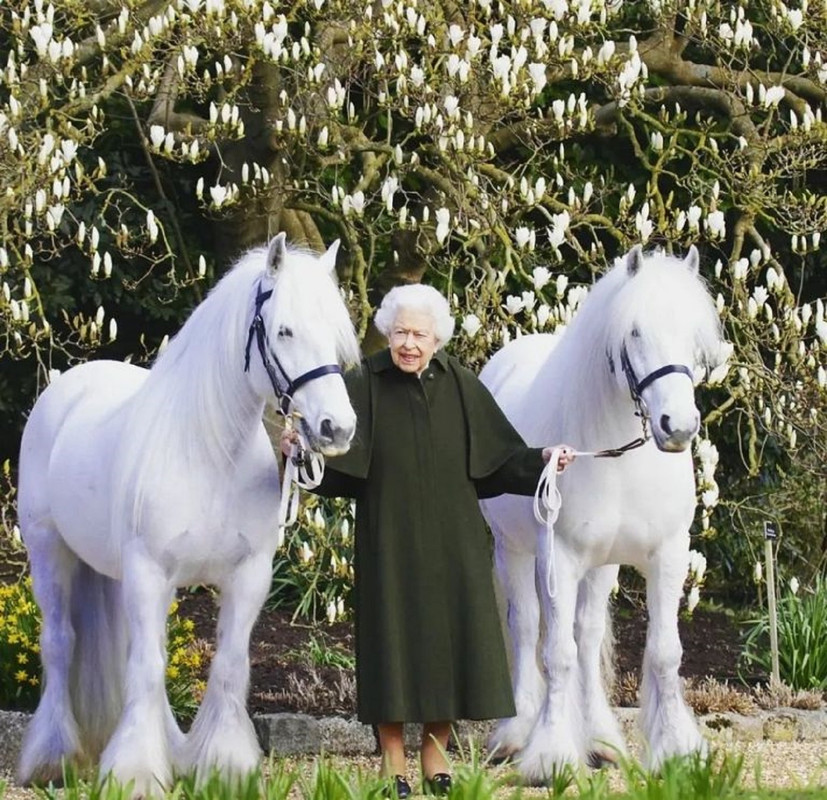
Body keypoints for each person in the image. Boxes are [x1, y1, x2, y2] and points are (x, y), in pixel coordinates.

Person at [280, 284, 574, 797]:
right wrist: (297, 455)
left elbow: (500, 461)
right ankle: (392, 758)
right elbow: (336, 469)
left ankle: (434, 753)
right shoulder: (364, 383)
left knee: (450, 647)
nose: (408, 343)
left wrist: (545, 460)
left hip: (453, 542)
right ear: (386, 334)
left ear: (437, 338)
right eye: (399, 333)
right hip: (387, 540)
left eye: (418, 334)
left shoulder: (460, 384)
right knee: (390, 645)